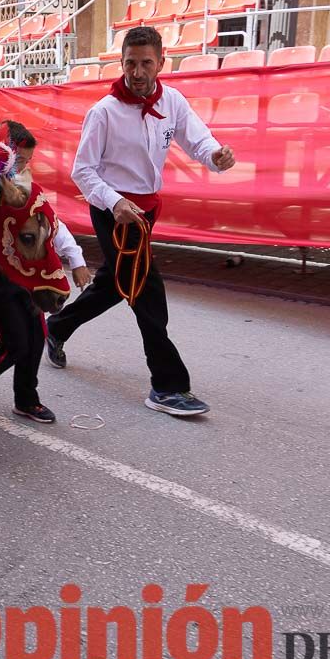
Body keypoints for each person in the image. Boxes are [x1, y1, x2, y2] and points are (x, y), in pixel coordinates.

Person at [44, 26, 236, 417]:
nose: (138, 71)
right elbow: (84, 171)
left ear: (161, 62)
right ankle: (167, 386)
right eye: (130, 63)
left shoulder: (174, 101)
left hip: (146, 211)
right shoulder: (104, 112)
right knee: (147, 289)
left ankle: (57, 327)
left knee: (117, 283)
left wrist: (215, 156)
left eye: (146, 62)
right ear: (122, 63)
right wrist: (114, 203)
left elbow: (197, 140)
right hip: (114, 211)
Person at [0, 121, 91, 424]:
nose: (21, 166)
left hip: (28, 275)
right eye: (17, 159)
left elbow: (51, 226)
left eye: (26, 161)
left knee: (36, 337)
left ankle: (26, 399)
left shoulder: (30, 189)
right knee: (16, 341)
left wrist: (77, 259)